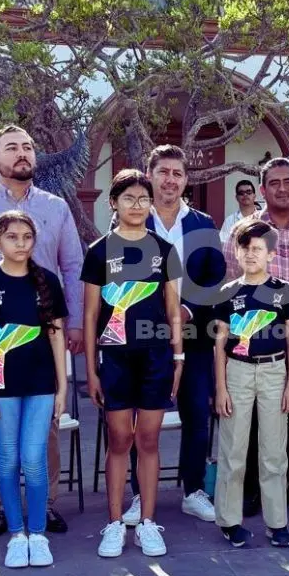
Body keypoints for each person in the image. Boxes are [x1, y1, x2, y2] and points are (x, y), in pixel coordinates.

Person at [0, 125, 84, 539]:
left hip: (45, 334)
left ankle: (45, 503)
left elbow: (72, 266)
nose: (22, 153)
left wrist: (73, 321)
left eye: (27, 146)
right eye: (11, 148)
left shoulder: (56, 207)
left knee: (47, 426)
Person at [118, 145, 226, 526]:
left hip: (193, 335)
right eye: (163, 172)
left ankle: (193, 489)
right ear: (150, 175)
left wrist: (185, 309)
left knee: (197, 412)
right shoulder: (131, 222)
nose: (171, 180)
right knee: (139, 418)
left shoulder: (203, 224)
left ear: (186, 179)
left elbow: (215, 276)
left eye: (178, 173)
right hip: (141, 337)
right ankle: (137, 494)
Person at [221, 158, 289, 516]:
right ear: (262, 190)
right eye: (274, 183)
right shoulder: (245, 232)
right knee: (251, 413)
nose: (282, 188)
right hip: (252, 334)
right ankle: (252, 489)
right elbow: (229, 285)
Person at [84, 170, 183, 559]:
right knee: (120, 440)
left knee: (149, 441)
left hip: (157, 358)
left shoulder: (163, 250)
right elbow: (91, 316)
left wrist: (178, 357)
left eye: (144, 198)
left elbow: (173, 309)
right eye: (129, 198)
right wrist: (91, 370)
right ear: (114, 203)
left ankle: (146, 523)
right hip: (116, 360)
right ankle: (113, 523)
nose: (137, 205)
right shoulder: (99, 251)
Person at [0, 211, 68, 568]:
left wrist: (63, 386)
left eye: (27, 237)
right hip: (0, 388)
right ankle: (16, 534)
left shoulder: (48, 282)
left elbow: (56, 336)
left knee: (34, 459)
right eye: (12, 237)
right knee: (6, 461)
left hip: (40, 385)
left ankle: (37, 533)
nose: (20, 243)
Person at [214, 220, 289, 548]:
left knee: (274, 451)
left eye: (258, 249)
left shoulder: (282, 291)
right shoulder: (228, 292)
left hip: (273, 372)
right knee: (233, 449)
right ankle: (229, 520)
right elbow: (219, 343)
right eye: (245, 248)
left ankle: (277, 522)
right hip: (237, 373)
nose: (251, 255)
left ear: (271, 254)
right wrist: (221, 387)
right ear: (236, 252)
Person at [218, 179, 261, 243]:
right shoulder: (229, 221)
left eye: (248, 192)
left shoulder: (263, 218)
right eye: (241, 193)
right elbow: (223, 244)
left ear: (254, 196)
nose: (245, 195)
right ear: (236, 197)